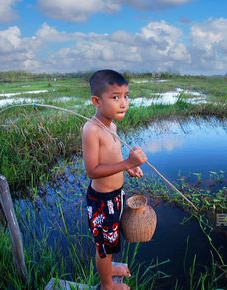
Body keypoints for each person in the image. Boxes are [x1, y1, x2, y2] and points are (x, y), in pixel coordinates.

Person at [82, 69, 147, 290]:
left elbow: (113, 158)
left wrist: (128, 168)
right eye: (115, 97)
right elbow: (92, 170)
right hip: (102, 200)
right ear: (96, 101)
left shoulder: (111, 126)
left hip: (116, 195)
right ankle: (107, 284)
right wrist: (128, 163)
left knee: (112, 240)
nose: (123, 103)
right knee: (104, 247)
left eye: (126, 96)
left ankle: (109, 270)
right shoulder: (91, 130)